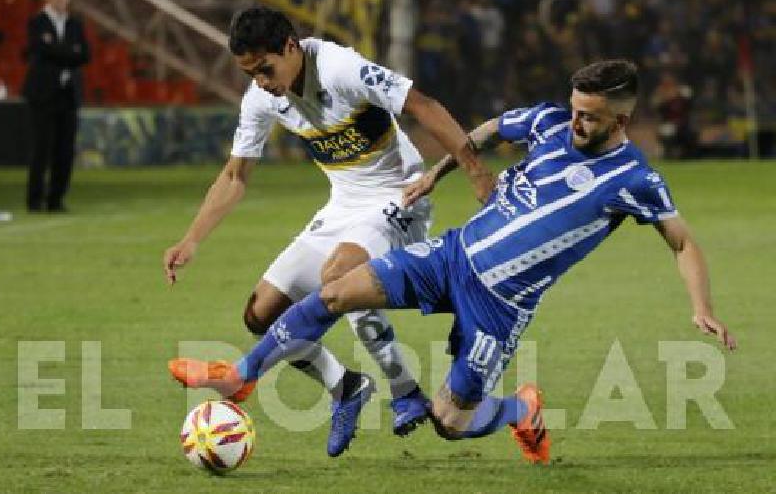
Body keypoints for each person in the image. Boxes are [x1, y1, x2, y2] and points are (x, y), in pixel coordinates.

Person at [169, 59, 738, 464]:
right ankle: (242, 378)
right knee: (338, 290)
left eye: (588, 117)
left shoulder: (636, 179)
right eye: (574, 109)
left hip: (500, 308)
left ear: (619, 122)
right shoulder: (546, 121)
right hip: (451, 256)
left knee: (449, 422)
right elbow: (485, 132)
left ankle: (519, 410)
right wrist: (436, 173)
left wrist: (702, 306)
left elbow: (682, 241)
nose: (574, 122)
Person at [162, 7, 494, 457]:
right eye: (250, 72)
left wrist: (474, 169)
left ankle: (403, 390)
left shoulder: (340, 68)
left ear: (291, 47)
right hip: (343, 205)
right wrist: (191, 238)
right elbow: (236, 175)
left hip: (400, 197)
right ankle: (346, 388)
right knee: (261, 314)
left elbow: (423, 105)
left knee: (340, 273)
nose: (260, 80)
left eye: (265, 68)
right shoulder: (262, 97)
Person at [23, 0, 90, 212]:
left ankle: (56, 199)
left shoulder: (75, 24)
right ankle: (34, 200)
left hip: (68, 94)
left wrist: (56, 50)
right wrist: (68, 52)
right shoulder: (37, 23)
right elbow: (39, 50)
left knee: (65, 149)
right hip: (42, 94)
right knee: (41, 148)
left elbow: (84, 55)